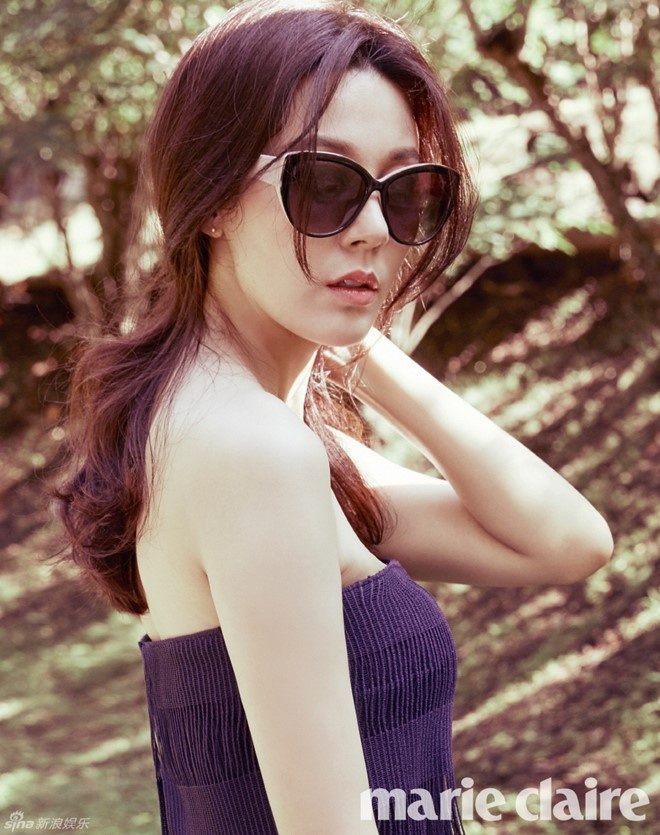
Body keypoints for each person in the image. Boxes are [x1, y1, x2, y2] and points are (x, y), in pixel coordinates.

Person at [54, 0, 614, 833]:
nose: (375, 230)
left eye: (407, 191)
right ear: (213, 196)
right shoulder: (254, 453)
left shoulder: (229, 427)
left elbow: (566, 541)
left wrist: (356, 343)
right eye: (325, 184)